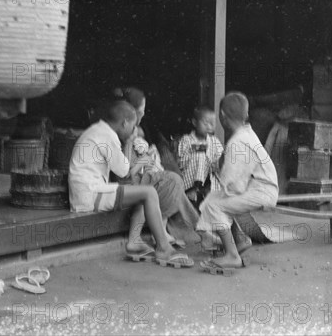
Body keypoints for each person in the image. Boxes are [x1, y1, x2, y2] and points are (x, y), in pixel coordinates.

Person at [68, 100, 194, 268]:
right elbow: (124, 170)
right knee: (149, 193)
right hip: (90, 194)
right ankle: (164, 248)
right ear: (125, 123)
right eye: (132, 127)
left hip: (87, 192)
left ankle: (134, 241)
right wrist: (131, 143)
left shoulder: (97, 130)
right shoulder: (107, 136)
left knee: (142, 192)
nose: (133, 130)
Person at [113, 87, 218, 252]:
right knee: (173, 181)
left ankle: (196, 233)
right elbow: (125, 171)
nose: (143, 115)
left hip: (141, 178)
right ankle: (197, 233)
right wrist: (144, 160)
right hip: (129, 183)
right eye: (141, 111)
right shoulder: (125, 132)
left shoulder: (134, 130)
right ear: (131, 112)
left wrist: (150, 157)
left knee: (174, 181)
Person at [197, 92, 279, 275]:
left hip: (261, 192)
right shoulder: (246, 134)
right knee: (217, 198)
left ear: (223, 117)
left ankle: (232, 255)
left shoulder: (237, 142)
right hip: (262, 187)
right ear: (246, 114)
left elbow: (232, 184)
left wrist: (219, 172)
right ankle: (239, 241)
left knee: (215, 204)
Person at [177, 106, 224, 209]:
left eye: (212, 123)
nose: (209, 126)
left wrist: (217, 162)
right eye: (205, 123)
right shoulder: (186, 139)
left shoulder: (214, 141)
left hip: (209, 178)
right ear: (194, 122)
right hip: (191, 180)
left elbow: (220, 158)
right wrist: (204, 154)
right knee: (200, 154)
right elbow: (182, 160)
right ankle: (194, 189)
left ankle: (210, 192)